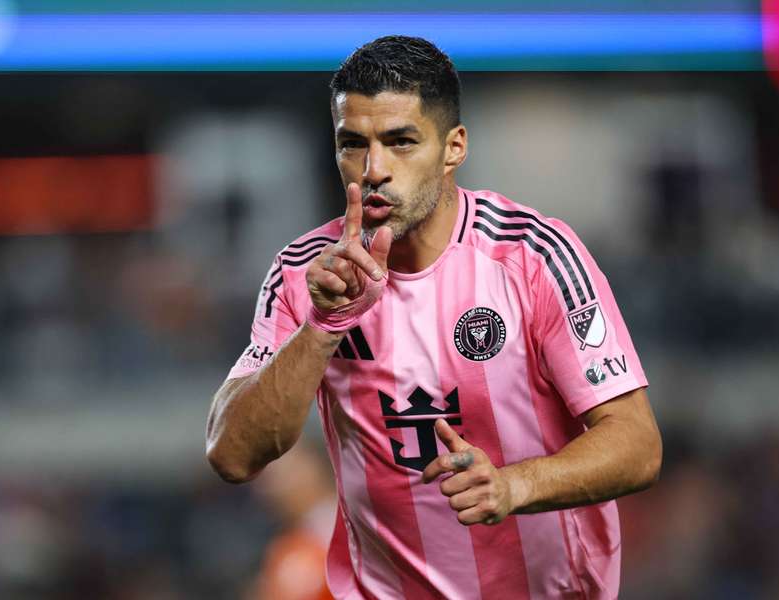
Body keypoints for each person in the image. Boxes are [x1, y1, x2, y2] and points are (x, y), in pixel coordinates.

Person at [206, 35, 662, 600]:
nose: (373, 169)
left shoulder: (533, 256)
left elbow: (637, 445)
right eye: (353, 144)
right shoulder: (305, 274)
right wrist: (320, 328)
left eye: (401, 142)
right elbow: (232, 454)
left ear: (453, 148)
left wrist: (515, 485)